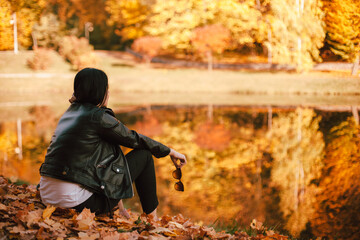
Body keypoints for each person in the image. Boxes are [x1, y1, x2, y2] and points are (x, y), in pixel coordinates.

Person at [39, 68, 187, 220]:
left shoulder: (69, 114)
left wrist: (119, 205)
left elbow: (107, 155)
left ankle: (122, 209)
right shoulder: (98, 117)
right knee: (144, 155)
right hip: (75, 202)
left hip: (47, 196)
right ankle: (152, 219)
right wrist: (169, 151)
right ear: (102, 92)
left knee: (110, 147)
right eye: (106, 89)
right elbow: (133, 139)